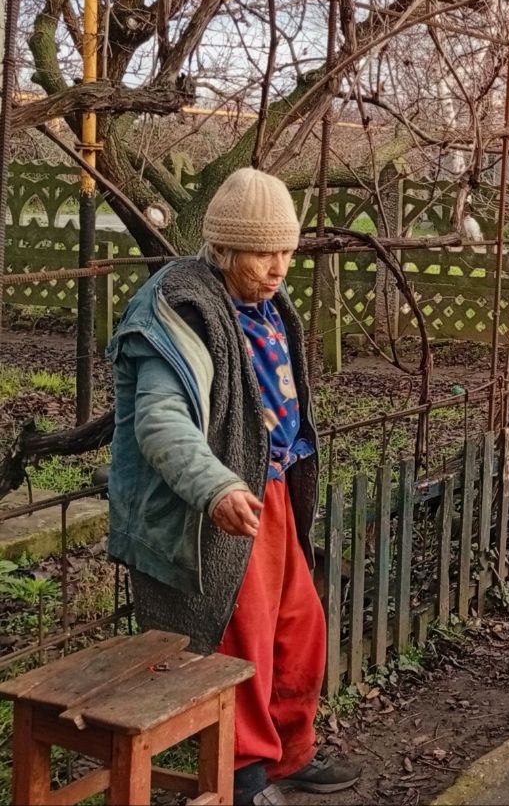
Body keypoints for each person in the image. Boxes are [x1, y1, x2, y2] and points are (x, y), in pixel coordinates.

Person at [107, 169, 359, 805]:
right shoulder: (178, 307)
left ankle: (288, 754)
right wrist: (215, 488)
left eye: (286, 253)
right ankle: (240, 776)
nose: (278, 269)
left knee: (299, 627)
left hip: (269, 489)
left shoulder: (262, 301)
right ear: (223, 249)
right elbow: (161, 420)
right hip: (214, 504)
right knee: (239, 637)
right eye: (263, 254)